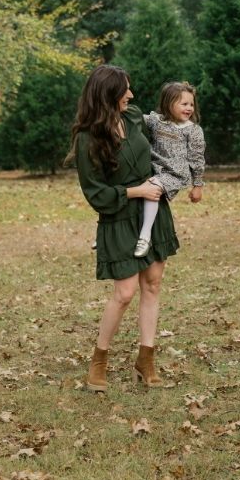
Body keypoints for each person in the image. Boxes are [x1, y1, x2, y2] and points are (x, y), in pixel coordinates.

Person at [67, 65, 178, 391]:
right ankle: (98, 360)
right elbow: (95, 193)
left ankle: (146, 359)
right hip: (119, 216)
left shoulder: (134, 118)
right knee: (125, 292)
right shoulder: (88, 138)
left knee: (153, 284)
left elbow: (167, 139)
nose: (130, 95)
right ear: (108, 95)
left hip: (153, 210)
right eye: (124, 90)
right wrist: (135, 191)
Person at [134, 81, 206, 257]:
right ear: (168, 103)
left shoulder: (193, 130)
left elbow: (197, 159)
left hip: (175, 174)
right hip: (152, 168)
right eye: (184, 104)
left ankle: (145, 235)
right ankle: (109, 229)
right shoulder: (157, 121)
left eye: (191, 104)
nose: (189, 108)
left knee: (152, 188)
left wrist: (197, 186)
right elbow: (133, 118)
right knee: (132, 185)